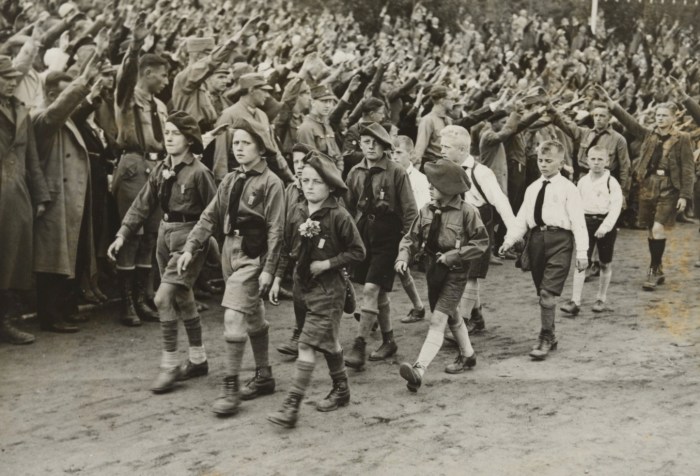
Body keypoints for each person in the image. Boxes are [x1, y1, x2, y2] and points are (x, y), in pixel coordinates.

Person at [178, 117, 285, 416]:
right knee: (253, 314)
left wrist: (269, 268)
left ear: (260, 148)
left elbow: (276, 229)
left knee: (233, 316)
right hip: (229, 250)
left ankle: (230, 387)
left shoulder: (271, 183)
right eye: (235, 142)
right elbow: (210, 216)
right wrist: (191, 246)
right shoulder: (230, 179)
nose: (238, 148)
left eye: (245, 143)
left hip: (253, 254)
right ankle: (264, 375)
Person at [107, 111, 217, 393]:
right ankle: (198, 359)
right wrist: (122, 234)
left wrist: (199, 245)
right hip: (165, 236)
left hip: (189, 238)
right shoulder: (161, 169)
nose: (168, 138)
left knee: (162, 297)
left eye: (175, 133)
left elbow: (214, 212)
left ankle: (169, 366)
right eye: (166, 133)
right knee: (183, 296)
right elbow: (142, 204)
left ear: (190, 139)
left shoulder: (199, 172)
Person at [267, 150, 365, 428]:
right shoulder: (297, 210)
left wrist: (328, 264)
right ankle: (342, 388)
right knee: (328, 341)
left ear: (330, 186)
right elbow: (287, 247)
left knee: (307, 344)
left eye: (316, 182)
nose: (309, 186)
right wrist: (277, 278)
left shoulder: (339, 216)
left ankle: (292, 406)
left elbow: (358, 251)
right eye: (305, 180)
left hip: (329, 290)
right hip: (302, 288)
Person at [396, 159, 489, 392]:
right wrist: (403, 257)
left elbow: (481, 243)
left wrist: (454, 255)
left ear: (448, 188)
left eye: (434, 184)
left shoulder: (468, 212)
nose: (429, 187)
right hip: (433, 272)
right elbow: (411, 238)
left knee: (438, 319)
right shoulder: (426, 210)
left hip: (455, 273)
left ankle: (418, 370)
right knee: (451, 313)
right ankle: (468, 355)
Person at [595, 85, 695, 290]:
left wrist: (685, 195)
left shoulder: (683, 138)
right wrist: (612, 104)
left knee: (658, 227)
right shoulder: (649, 134)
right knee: (651, 229)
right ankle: (658, 268)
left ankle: (653, 269)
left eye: (664, 115)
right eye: (658, 115)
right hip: (648, 186)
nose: (660, 118)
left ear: (673, 118)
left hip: (670, 188)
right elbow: (629, 122)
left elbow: (688, 168)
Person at [499, 140, 589, 361]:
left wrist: (582, 253)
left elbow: (578, 222)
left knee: (548, 293)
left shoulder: (568, 189)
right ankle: (551, 333)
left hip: (561, 241)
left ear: (561, 162)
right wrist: (509, 240)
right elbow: (522, 218)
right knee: (542, 293)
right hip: (536, 241)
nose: (543, 164)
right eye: (540, 160)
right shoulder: (532, 188)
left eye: (549, 161)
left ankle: (545, 337)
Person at [344, 122, 418, 370]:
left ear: (385, 146)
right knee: (380, 294)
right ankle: (389, 341)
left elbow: (410, 211)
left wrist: (407, 245)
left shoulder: (396, 172)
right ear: (360, 144)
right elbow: (348, 207)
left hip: (389, 236)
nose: (371, 147)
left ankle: (359, 344)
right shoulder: (355, 172)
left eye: (376, 143)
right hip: (364, 234)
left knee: (370, 289)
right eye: (366, 142)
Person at [112, 14, 169, 326]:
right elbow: (125, 77)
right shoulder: (127, 97)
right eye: (162, 75)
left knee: (151, 236)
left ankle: (143, 297)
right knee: (132, 234)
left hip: (157, 167)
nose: (165, 81)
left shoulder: (159, 106)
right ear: (146, 73)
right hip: (134, 166)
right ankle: (126, 303)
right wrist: (134, 46)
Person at [32, 66, 97, 334]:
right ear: (51, 95)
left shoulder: (65, 119)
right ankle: (50, 315)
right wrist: (85, 80)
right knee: (52, 261)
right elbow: (56, 113)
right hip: (54, 199)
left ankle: (65, 308)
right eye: (66, 93)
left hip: (70, 197)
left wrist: (95, 89)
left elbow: (71, 110)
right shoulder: (41, 117)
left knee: (72, 255)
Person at [440, 125, 515, 334]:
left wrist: (513, 231)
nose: (441, 151)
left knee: (471, 274)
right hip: (456, 225)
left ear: (462, 149)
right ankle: (477, 315)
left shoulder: (481, 172)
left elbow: (500, 201)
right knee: (461, 271)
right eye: (441, 146)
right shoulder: (445, 169)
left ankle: (462, 324)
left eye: (446, 147)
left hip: (479, 226)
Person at [0, 55, 49, 344]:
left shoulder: (21, 110)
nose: (11, 83)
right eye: (5, 78)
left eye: (12, 78)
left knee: (13, 258)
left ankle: (6, 322)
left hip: (16, 192)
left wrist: (40, 196)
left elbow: (32, 158)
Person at [560, 146, 623, 315]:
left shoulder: (612, 182)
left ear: (607, 161)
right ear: (587, 160)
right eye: (593, 159)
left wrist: (605, 227)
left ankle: (601, 298)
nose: (596, 163)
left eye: (600, 159)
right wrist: (575, 225)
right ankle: (575, 301)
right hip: (586, 223)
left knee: (604, 263)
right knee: (581, 261)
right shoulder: (583, 181)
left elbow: (616, 208)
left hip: (605, 224)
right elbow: (576, 205)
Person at [212, 72, 294, 183]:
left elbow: (275, 152)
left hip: (263, 179)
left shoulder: (262, 115)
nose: (267, 95)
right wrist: (224, 185)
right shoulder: (229, 115)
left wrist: (290, 177)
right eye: (264, 91)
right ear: (251, 90)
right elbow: (220, 158)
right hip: (239, 180)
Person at [276, 143, 313, 357]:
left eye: (303, 161)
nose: (298, 166)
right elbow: (283, 225)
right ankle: (299, 334)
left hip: (321, 254)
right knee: (299, 295)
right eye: (295, 162)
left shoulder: (320, 187)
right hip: (298, 253)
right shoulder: (289, 191)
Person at [391, 135, 428, 323]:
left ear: (410, 154)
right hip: (391, 230)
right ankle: (418, 307)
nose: (394, 157)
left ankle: (419, 307)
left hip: (409, 232)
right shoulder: (389, 174)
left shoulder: (419, 180)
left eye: (399, 152)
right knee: (395, 270)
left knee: (401, 268)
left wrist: (417, 238)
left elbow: (422, 209)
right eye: (392, 152)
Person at [296, 84, 342, 170]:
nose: (328, 105)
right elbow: (312, 160)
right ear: (313, 102)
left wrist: (339, 171)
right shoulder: (306, 128)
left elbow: (338, 156)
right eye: (324, 101)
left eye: (330, 101)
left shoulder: (326, 126)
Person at [414, 85, 453, 170]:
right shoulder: (428, 120)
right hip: (433, 166)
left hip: (447, 165)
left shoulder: (448, 120)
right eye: (451, 99)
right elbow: (420, 148)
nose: (453, 102)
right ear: (442, 100)